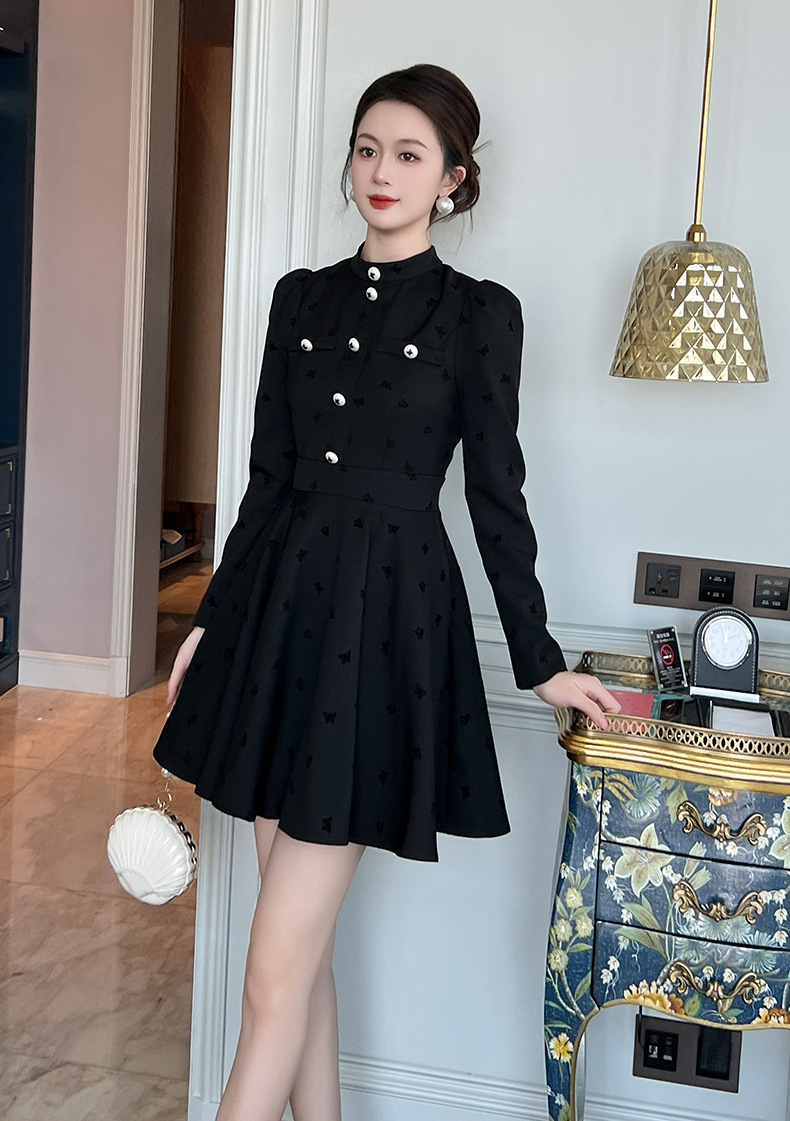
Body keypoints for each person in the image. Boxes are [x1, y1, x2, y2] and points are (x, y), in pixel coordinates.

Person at [153, 63, 620, 1121]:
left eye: (409, 154)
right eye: (368, 148)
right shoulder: (300, 297)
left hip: (386, 629)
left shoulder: (479, 316)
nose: (381, 171)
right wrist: (213, 620)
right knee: (296, 958)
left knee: (271, 971)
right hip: (277, 620)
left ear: (453, 177)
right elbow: (267, 479)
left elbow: (496, 496)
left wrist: (541, 662)